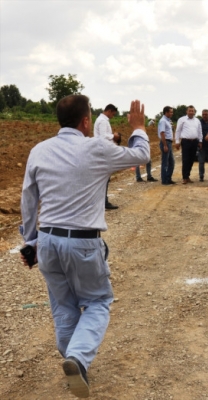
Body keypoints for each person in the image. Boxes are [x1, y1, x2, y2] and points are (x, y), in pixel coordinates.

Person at [19, 95, 150, 398]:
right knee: (97, 302)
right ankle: (77, 357)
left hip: (48, 239)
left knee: (62, 305)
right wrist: (139, 127)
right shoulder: (96, 148)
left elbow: (28, 199)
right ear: (87, 121)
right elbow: (141, 155)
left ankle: (75, 362)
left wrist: (30, 241)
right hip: (82, 242)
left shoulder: (39, 150)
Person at [94, 104, 122, 210]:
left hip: (102, 150)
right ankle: (103, 202)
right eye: (113, 114)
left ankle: (102, 201)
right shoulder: (102, 121)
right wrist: (113, 136)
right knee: (104, 178)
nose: (113, 116)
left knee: (104, 178)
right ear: (109, 111)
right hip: (102, 151)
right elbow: (102, 136)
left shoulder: (103, 120)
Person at [175, 105, 203, 184]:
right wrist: (177, 141)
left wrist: (200, 141)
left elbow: (199, 131)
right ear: (186, 111)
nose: (191, 112)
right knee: (185, 159)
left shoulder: (197, 120)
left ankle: (188, 176)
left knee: (192, 159)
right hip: (186, 141)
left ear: (194, 112)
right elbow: (178, 131)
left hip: (195, 142)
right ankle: (184, 177)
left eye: (192, 111)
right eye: (189, 111)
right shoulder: (182, 120)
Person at [130, 113, 156, 182]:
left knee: (147, 161)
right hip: (138, 148)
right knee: (140, 162)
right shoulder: (137, 129)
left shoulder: (140, 128)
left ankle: (145, 176)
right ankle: (140, 177)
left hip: (142, 147)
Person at [158, 106, 176, 185]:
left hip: (169, 142)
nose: (172, 113)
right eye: (170, 112)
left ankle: (168, 178)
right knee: (165, 162)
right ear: (166, 112)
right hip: (166, 142)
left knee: (171, 162)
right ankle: (164, 180)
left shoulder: (168, 121)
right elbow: (162, 133)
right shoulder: (163, 121)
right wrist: (165, 145)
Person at [198, 109, 208, 182]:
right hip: (202, 145)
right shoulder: (199, 122)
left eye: (206, 114)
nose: (204, 116)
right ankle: (201, 176)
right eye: (203, 114)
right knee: (201, 162)